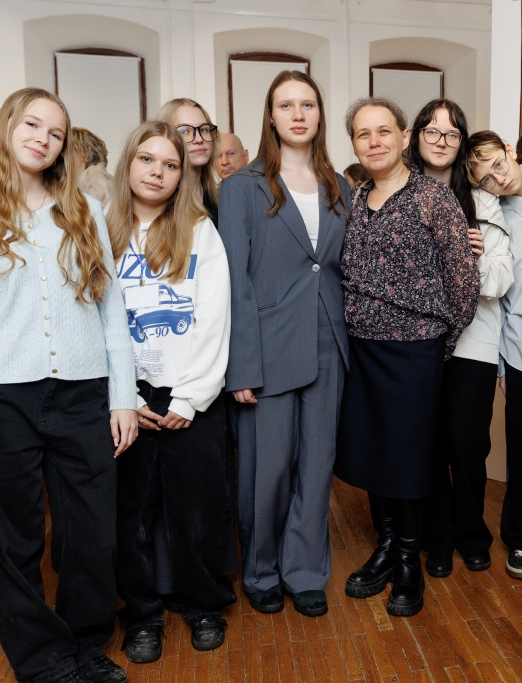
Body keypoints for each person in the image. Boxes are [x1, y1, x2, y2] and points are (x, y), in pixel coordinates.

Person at [0, 87, 138, 683]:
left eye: (55, 132)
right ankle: (44, 662)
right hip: (0, 397)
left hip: (82, 391)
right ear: (6, 127)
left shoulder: (85, 209)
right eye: (31, 124)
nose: (42, 138)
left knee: (92, 533)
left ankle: (86, 643)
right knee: (11, 540)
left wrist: (122, 396)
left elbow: (111, 311)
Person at [335, 97, 479, 617]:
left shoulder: (433, 199)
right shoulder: (354, 198)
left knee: (409, 458)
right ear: (354, 144)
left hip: (414, 351)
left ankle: (408, 562)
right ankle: (386, 546)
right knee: (374, 453)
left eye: (383, 131)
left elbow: (464, 284)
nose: (374, 142)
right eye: (362, 134)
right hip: (361, 350)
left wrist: (435, 342)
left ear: (403, 137)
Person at [220, 70, 350, 618]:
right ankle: (262, 570)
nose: (298, 114)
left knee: (316, 467)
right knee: (266, 470)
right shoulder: (242, 187)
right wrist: (240, 367)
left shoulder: (339, 185)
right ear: (270, 117)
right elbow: (234, 282)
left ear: (320, 114)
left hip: (328, 344)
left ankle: (305, 571)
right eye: (286, 105)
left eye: (308, 104)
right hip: (267, 348)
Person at [108, 120, 235, 662]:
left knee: (198, 510)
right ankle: (141, 615)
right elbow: (94, 320)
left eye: (170, 164)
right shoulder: (101, 228)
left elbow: (214, 318)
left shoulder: (200, 230)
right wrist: (123, 396)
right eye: (147, 159)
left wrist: (189, 399)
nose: (157, 172)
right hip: (126, 398)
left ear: (183, 175)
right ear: (128, 164)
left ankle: (203, 603)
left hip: (189, 395)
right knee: (131, 516)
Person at [409, 98, 512, 578]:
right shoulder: (402, 195)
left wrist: (474, 260)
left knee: (469, 447)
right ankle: (438, 538)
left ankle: (473, 534)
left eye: (451, 133)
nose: (441, 140)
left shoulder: (483, 201)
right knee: (428, 445)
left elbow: (502, 278)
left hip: (474, 343)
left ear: (461, 142)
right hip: (418, 341)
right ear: (416, 137)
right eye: (432, 131)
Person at [466, 130, 522, 581]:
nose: (497, 180)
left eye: (498, 167)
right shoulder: (492, 213)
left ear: (509, 151)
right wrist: (501, 363)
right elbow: (498, 297)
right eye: (485, 179)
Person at [158, 98, 220, 225]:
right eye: (185, 131)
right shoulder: (156, 200)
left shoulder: (219, 199)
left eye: (203, 130)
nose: (199, 139)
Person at [69, 127, 113, 205]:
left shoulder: (96, 181)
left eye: (68, 152)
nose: (63, 158)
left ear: (85, 152)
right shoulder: (92, 180)